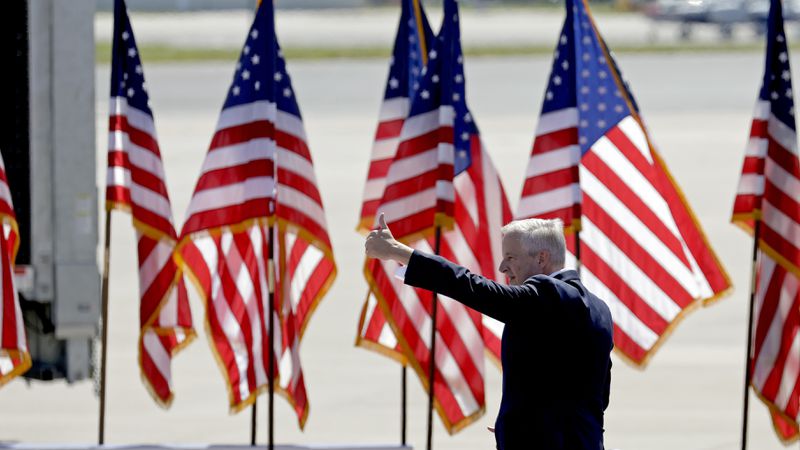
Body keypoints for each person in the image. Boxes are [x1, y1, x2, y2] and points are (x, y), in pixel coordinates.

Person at [365, 213, 614, 450]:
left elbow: (473, 287)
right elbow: (595, 396)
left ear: (541, 258)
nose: (502, 267)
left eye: (511, 257)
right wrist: (526, 421)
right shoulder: (599, 310)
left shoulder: (549, 293)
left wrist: (400, 252)